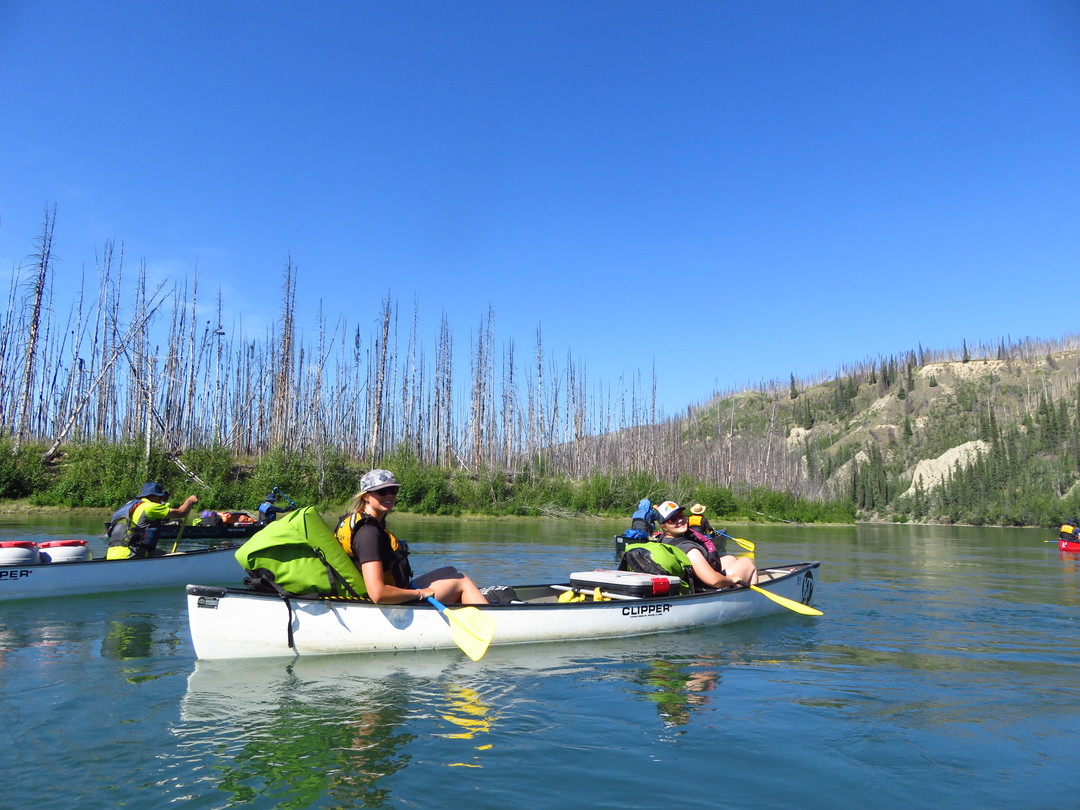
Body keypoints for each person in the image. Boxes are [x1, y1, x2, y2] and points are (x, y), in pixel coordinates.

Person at [334, 469, 488, 605]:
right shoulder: (368, 533)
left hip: (397, 589)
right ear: (366, 496)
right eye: (382, 492)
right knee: (462, 581)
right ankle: (492, 621)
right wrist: (420, 593)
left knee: (450, 570)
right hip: (387, 601)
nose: (389, 495)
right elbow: (378, 594)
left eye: (393, 490)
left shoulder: (366, 522)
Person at [654, 500, 758, 588]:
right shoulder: (690, 550)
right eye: (673, 519)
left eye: (680, 515)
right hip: (707, 586)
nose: (680, 520)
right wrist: (730, 579)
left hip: (695, 579)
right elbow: (714, 581)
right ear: (663, 526)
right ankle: (753, 601)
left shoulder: (662, 539)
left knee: (730, 558)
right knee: (747, 562)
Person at [105, 482, 199, 560]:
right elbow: (181, 512)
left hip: (112, 554)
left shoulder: (132, 506)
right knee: (181, 556)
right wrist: (189, 501)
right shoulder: (150, 507)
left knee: (162, 552)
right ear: (155, 496)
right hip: (131, 555)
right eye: (161, 497)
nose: (161, 500)